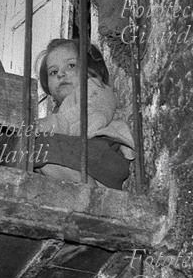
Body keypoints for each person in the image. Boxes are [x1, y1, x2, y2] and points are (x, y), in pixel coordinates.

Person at [33, 39, 134, 189]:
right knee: (31, 154)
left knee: (38, 146)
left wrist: (40, 126)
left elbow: (87, 118)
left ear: (91, 70)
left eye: (71, 66)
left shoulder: (94, 88)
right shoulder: (59, 110)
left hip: (104, 155)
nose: (60, 74)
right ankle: (83, 186)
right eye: (53, 72)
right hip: (87, 164)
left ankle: (85, 186)